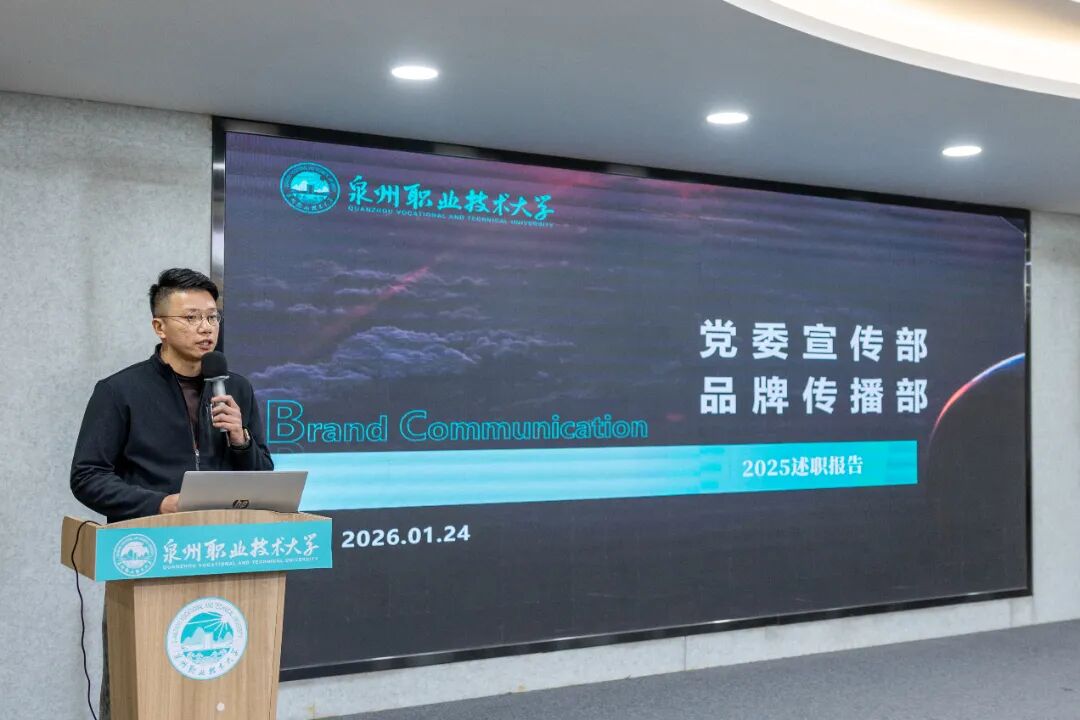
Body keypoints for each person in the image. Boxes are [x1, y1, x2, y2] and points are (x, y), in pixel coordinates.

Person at [70, 268, 273, 719]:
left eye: (212, 317)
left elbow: (263, 477)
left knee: (220, 678)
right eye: (192, 317)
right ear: (159, 326)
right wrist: (160, 504)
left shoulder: (236, 387)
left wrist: (240, 439)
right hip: (148, 556)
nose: (206, 328)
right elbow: (87, 476)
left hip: (225, 554)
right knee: (138, 684)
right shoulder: (119, 391)